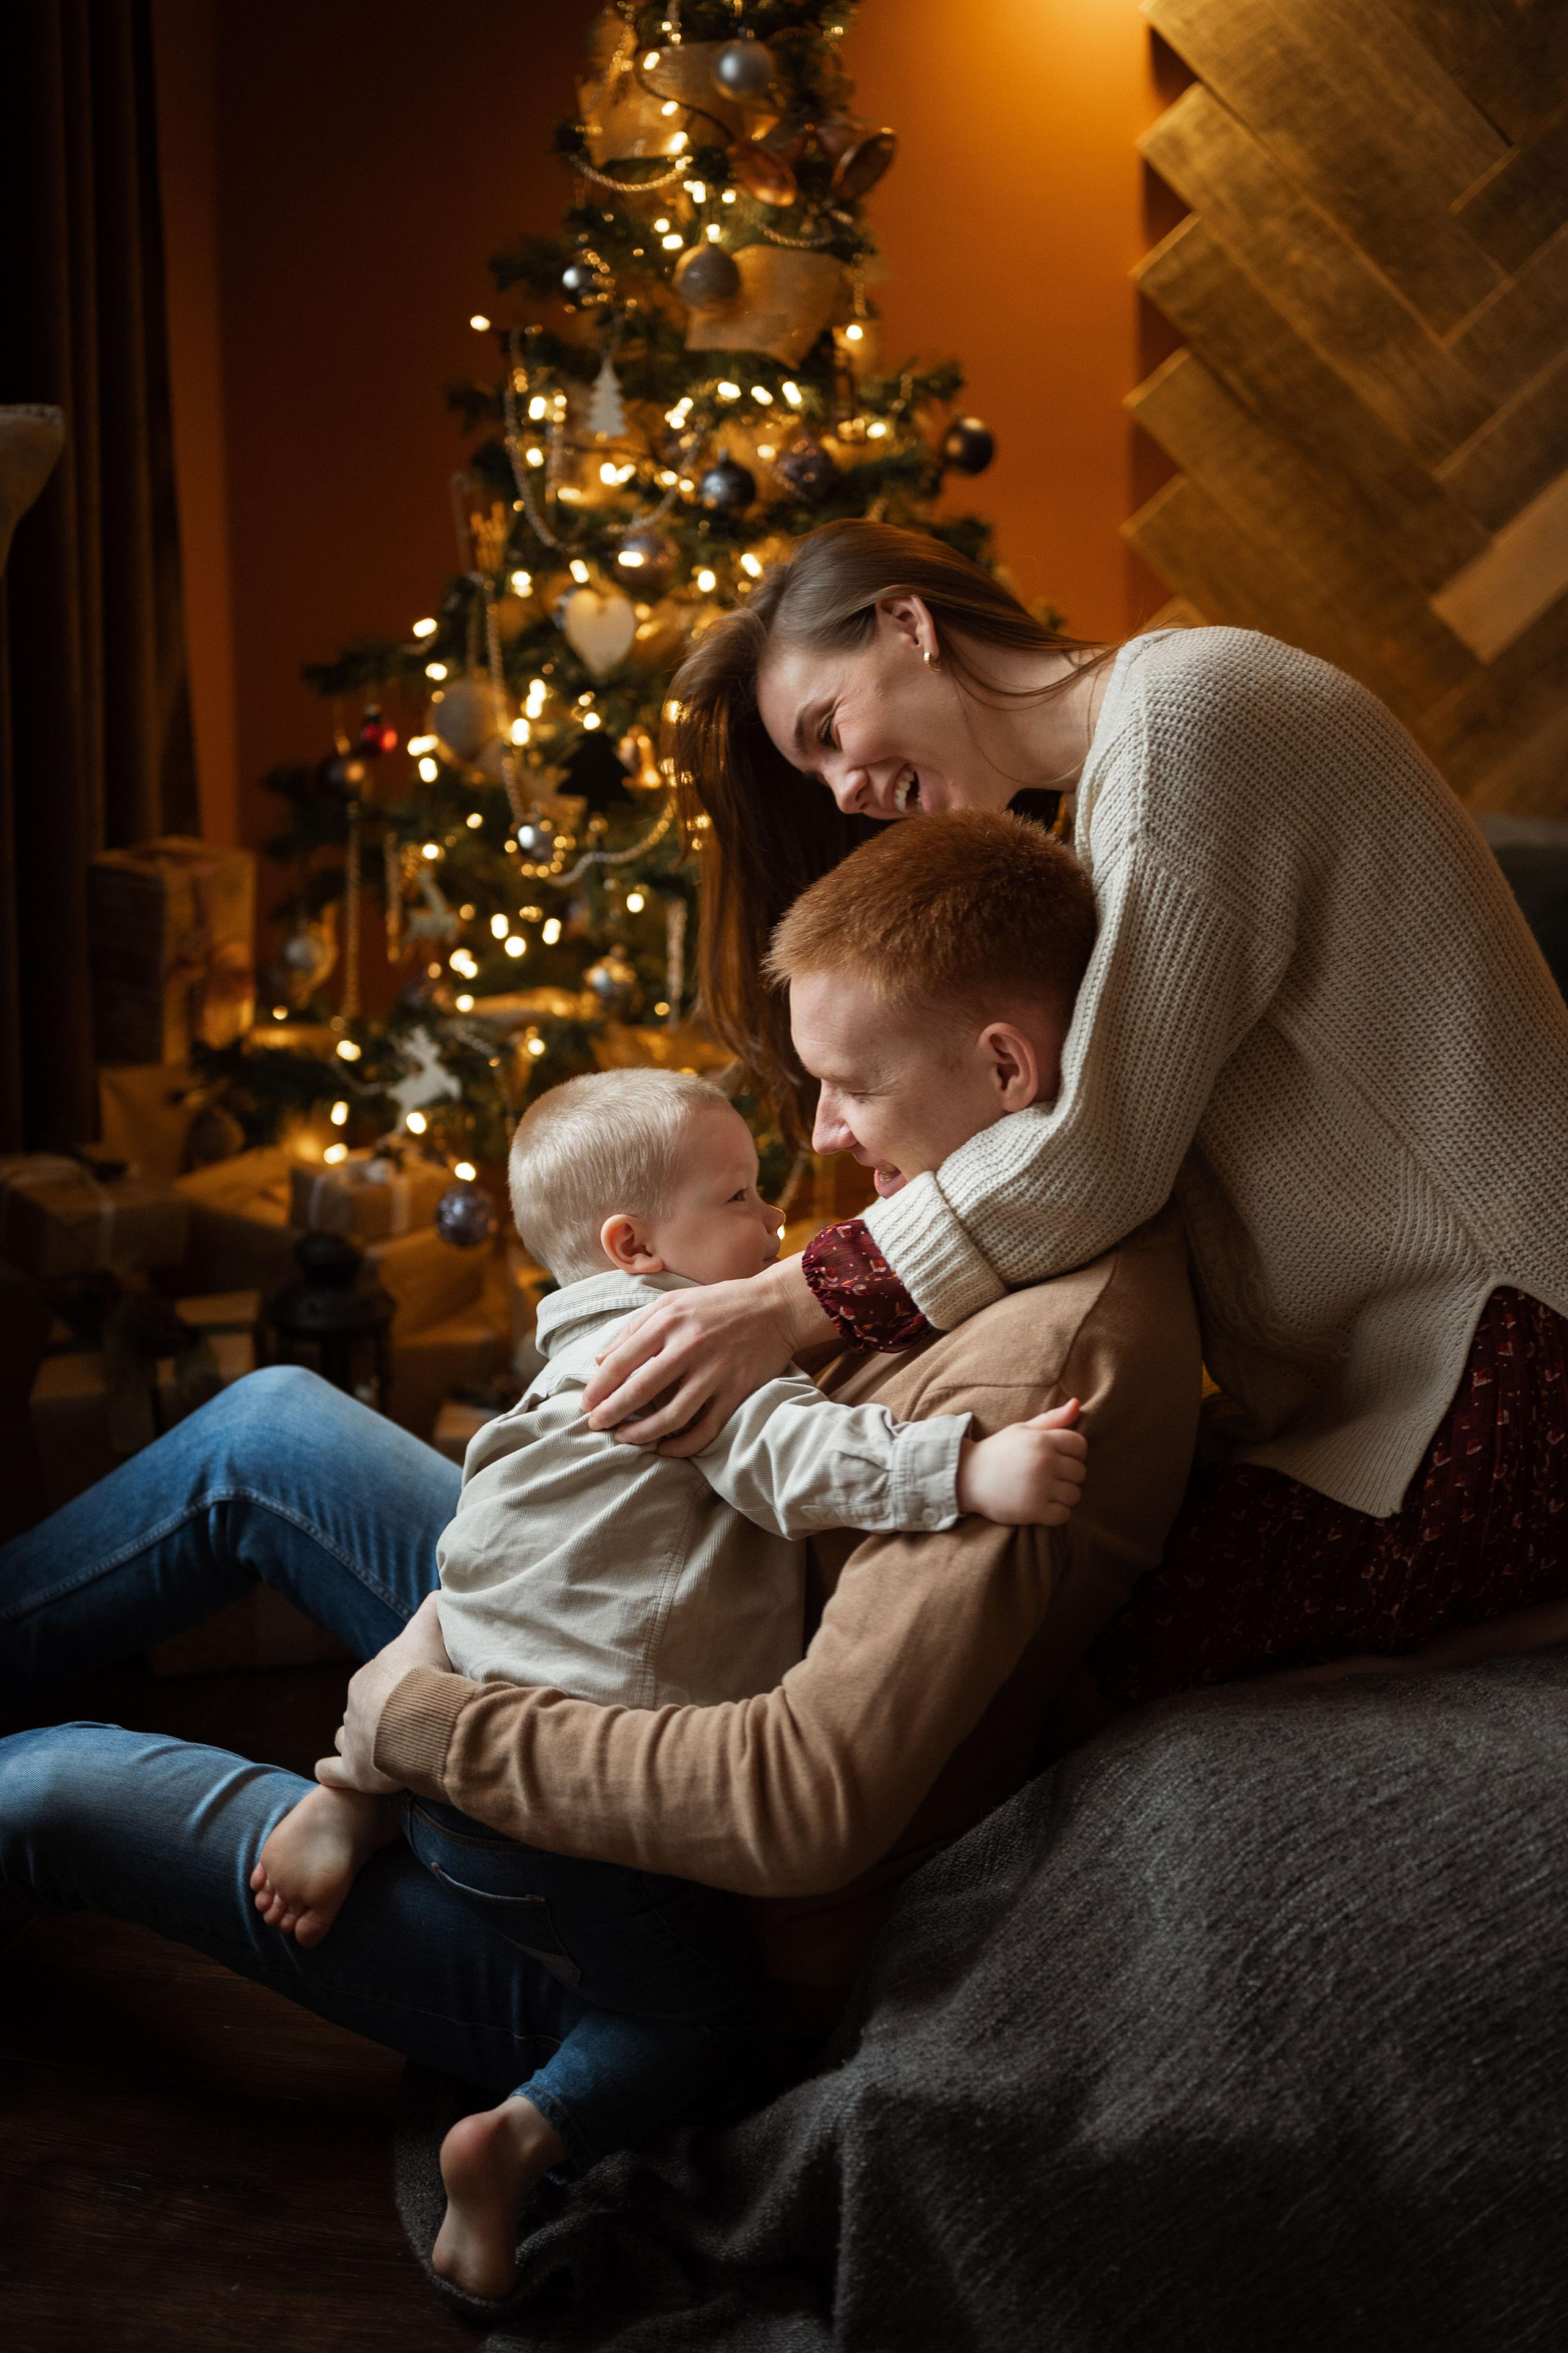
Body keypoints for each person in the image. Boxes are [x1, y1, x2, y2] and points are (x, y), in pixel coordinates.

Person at [0, 810, 1200, 2300]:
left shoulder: (1036, 1374)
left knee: (42, 1785)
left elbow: (804, 1799)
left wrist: (412, 1718)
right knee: (269, 1431)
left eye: (847, 1086)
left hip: (674, 1924)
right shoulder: (972, 1214)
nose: (819, 1135)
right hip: (653, 1604)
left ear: (1008, 1071)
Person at [579, 519, 1568, 1690]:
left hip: (1509, 1358)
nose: (845, 792)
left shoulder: (1189, 718)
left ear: (909, 622)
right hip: (1388, 1378)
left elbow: (1091, 1154)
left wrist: (774, 1307)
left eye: (830, 730)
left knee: (1077, 1659)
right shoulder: (1107, 794)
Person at [249, 1063, 1088, 2293]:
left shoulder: (562, 1353)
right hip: (548, 1824)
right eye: (740, 1195)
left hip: (453, 1725)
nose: (774, 1220)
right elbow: (792, 1453)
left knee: (469, 1600)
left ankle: (351, 1791)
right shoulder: (688, 1358)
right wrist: (965, 1474)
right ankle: (514, 2140)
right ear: (634, 1246)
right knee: (701, 2023)